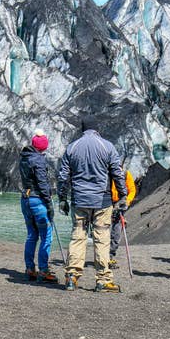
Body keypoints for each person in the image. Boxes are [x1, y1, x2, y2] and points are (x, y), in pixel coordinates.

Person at [57, 116, 128, 292]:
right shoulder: (107, 146)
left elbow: (63, 176)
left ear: (83, 129)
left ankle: (72, 277)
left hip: (79, 200)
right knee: (102, 239)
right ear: (97, 129)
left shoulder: (72, 147)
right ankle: (102, 280)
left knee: (78, 236)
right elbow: (117, 174)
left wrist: (62, 198)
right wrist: (122, 195)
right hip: (102, 201)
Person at [19, 129, 57, 283]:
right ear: (44, 147)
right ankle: (43, 270)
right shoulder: (39, 160)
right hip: (38, 200)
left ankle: (30, 268)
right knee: (46, 235)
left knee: (31, 235)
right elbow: (42, 183)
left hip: (25, 199)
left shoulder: (23, 158)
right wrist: (49, 203)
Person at [108, 165, 136, 269]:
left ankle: (110, 255)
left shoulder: (125, 174)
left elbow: (132, 190)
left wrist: (126, 201)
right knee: (104, 232)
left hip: (119, 205)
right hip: (106, 204)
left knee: (116, 233)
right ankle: (104, 257)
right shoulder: (105, 173)